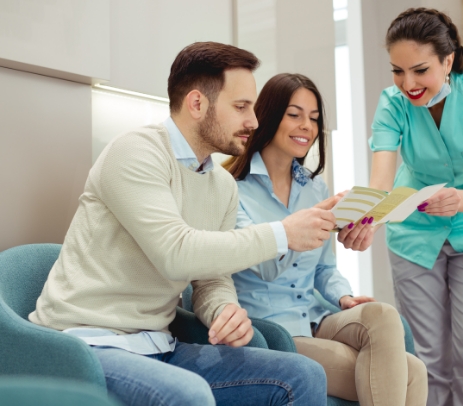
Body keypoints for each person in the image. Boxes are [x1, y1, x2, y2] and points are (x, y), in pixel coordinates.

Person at [29, 42, 335, 406]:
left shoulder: (221, 185)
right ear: (197, 104)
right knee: (187, 394)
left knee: (302, 374)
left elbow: (211, 277)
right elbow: (176, 253)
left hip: (159, 344)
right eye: (241, 107)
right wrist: (282, 234)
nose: (253, 121)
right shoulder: (135, 153)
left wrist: (222, 309)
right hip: (86, 344)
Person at [224, 73, 428, 406]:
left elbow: (324, 269)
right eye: (295, 114)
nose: (306, 125)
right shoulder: (232, 189)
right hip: (273, 329)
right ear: (269, 115)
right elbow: (265, 268)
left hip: (316, 316)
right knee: (411, 374)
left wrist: (343, 296)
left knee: (385, 317)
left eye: (314, 118)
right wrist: (304, 223)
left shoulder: (314, 188)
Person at [369, 8, 463, 406]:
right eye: (397, 71)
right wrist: (365, 219)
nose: (408, 84)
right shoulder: (392, 104)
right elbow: (380, 185)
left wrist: (458, 200)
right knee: (427, 361)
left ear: (447, 60)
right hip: (414, 233)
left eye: (420, 70)